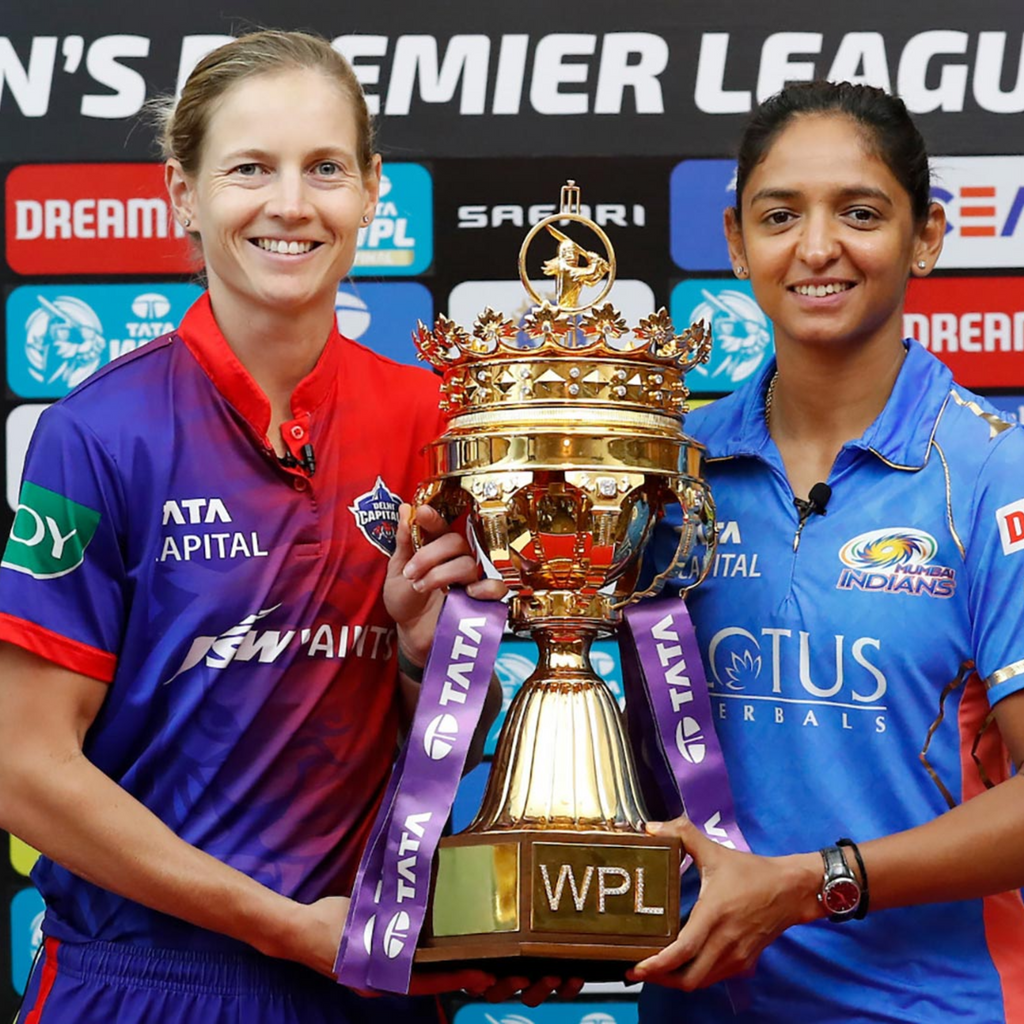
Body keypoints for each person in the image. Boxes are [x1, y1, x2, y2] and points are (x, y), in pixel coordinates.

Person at [0, 29, 557, 1024]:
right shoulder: (98, 432)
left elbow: (447, 744)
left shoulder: (433, 423)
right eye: (250, 168)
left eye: (325, 168)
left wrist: (422, 660)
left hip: (363, 984)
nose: (291, 204)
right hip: (146, 989)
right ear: (183, 194)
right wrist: (284, 927)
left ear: (372, 191)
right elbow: (22, 768)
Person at [632, 81, 1024, 1023]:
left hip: (926, 1005)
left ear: (927, 237)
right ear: (736, 242)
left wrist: (816, 883)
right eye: (780, 216)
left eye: (860, 213)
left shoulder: (994, 473)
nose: (816, 248)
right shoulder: (668, 471)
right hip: (694, 1003)